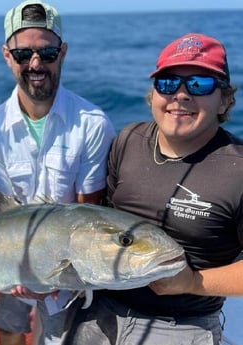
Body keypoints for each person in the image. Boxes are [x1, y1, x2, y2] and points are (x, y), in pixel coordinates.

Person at [62, 32, 243, 345]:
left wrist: (193, 282)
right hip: (99, 309)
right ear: (154, 93)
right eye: (168, 83)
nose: (181, 95)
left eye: (199, 84)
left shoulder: (237, 169)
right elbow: (97, 225)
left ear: (225, 99)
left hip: (180, 323)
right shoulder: (128, 140)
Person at [0, 1, 116, 344]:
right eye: (23, 54)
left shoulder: (93, 125)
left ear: (62, 53)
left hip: (68, 268)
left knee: (60, 337)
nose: (35, 64)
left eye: (47, 52)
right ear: (7, 55)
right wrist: (12, 275)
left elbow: (87, 217)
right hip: (12, 255)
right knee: (8, 325)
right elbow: (2, 213)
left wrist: (54, 278)